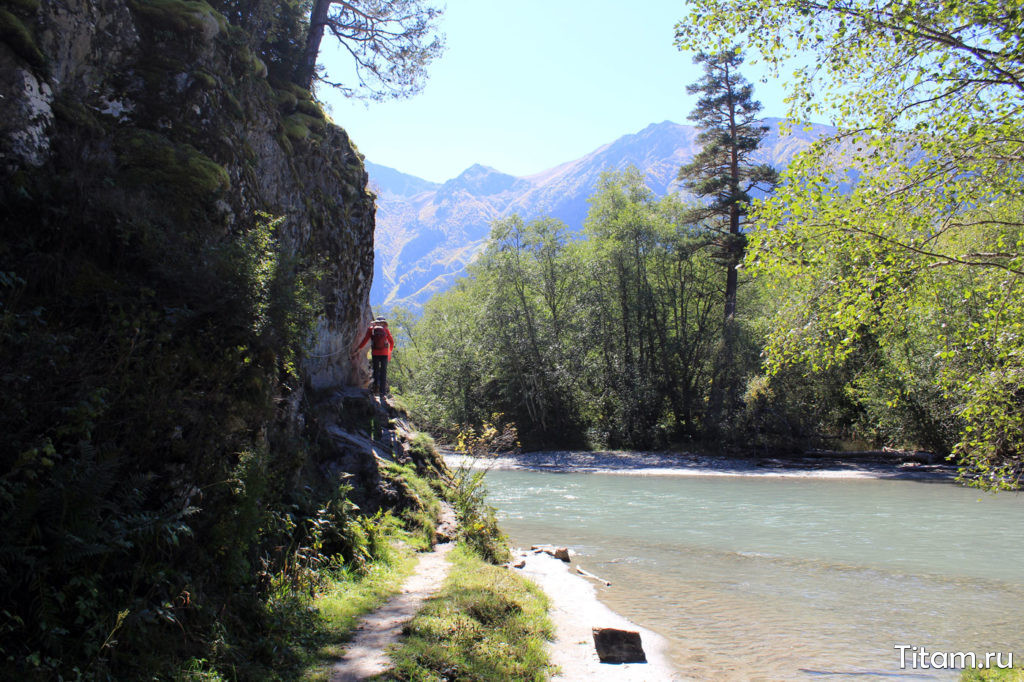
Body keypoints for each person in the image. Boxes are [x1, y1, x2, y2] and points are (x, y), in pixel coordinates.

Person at [356, 316, 395, 396]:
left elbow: (365, 340)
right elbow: (392, 342)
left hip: (375, 353)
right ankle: (382, 393)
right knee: (383, 372)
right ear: (384, 323)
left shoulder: (371, 330)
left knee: (376, 371)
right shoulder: (385, 330)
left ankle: (375, 390)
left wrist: (358, 349)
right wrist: (389, 352)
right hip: (384, 354)